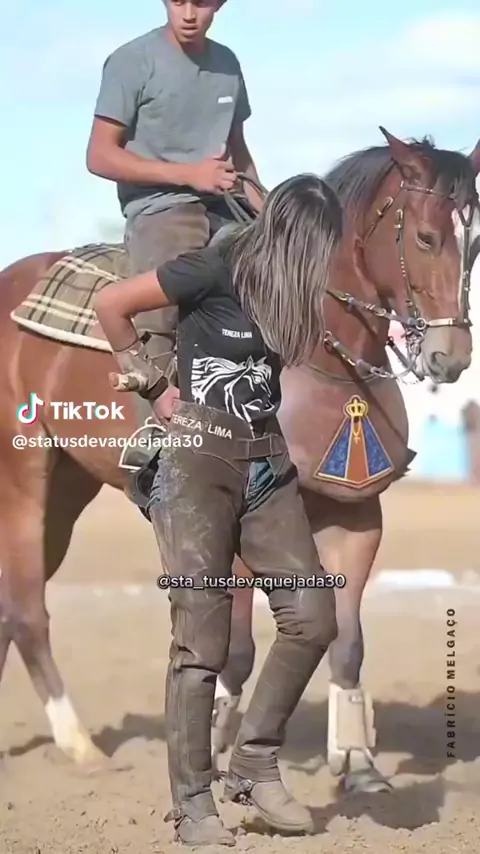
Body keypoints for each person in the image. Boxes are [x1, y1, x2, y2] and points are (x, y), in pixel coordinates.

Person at [94, 174, 343, 847]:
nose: (322, 264)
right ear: (294, 240)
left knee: (313, 618)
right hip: (198, 465)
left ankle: (254, 764)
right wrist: (153, 386)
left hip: (268, 466)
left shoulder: (291, 292)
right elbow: (114, 305)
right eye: (318, 249)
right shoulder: (214, 266)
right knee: (201, 642)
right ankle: (194, 804)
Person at [86, 0, 265, 418]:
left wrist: (273, 216)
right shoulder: (132, 61)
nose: (187, 14)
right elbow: (98, 156)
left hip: (225, 202)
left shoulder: (228, 64)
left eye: (200, 3)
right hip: (161, 208)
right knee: (164, 306)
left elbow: (238, 154)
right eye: (177, 1)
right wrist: (188, 175)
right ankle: (156, 420)